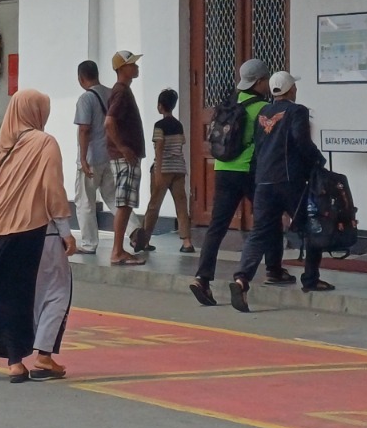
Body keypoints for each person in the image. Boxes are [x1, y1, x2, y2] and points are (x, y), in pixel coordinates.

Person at [0, 89, 77, 382]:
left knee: (8, 297)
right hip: (34, 231)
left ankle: (15, 362)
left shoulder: (0, 145)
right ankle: (44, 355)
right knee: (55, 292)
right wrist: (67, 232)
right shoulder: (44, 143)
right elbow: (53, 189)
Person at [189, 59, 294, 306]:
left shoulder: (228, 102)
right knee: (269, 218)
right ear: (260, 82)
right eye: (266, 80)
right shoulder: (262, 109)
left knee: (217, 226)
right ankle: (274, 269)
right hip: (250, 170)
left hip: (223, 168)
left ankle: (202, 278)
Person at [228, 71, 328, 312]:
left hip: (263, 182)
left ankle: (241, 279)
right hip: (289, 181)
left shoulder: (263, 113)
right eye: (294, 86)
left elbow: (260, 146)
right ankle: (311, 278)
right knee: (312, 226)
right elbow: (301, 141)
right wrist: (318, 161)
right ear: (291, 89)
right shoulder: (297, 111)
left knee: (260, 232)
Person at [130, 88, 193, 254]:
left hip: (163, 169)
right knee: (181, 205)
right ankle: (187, 242)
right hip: (179, 169)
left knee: (153, 206)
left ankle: (145, 240)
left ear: (160, 106)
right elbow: (181, 143)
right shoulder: (178, 125)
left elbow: (159, 147)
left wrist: (157, 171)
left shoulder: (159, 125)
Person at [102, 49, 147, 265]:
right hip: (124, 157)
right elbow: (109, 122)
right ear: (122, 69)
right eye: (132, 64)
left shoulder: (122, 91)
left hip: (124, 156)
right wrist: (123, 147)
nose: (136, 67)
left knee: (126, 203)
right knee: (124, 203)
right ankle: (117, 251)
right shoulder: (120, 91)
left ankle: (118, 250)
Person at [71, 60, 114, 256]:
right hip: (109, 155)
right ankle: (135, 232)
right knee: (113, 198)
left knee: (85, 202)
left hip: (91, 158)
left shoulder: (85, 98)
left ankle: (89, 243)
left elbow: (84, 129)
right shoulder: (111, 93)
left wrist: (83, 159)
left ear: (81, 78)